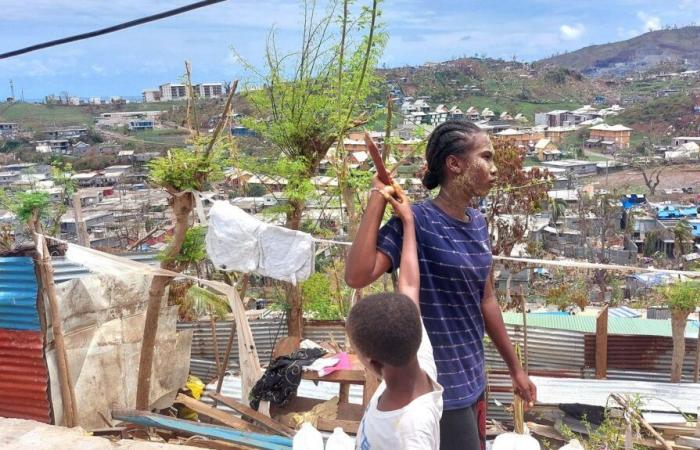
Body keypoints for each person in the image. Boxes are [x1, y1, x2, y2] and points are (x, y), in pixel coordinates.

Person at [345, 120, 537, 450]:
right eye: (486, 158)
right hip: (436, 388)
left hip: (474, 376)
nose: (494, 169)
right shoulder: (417, 219)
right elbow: (357, 275)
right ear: (454, 164)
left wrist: (515, 369)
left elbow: (487, 299)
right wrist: (378, 195)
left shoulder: (477, 222)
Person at [348, 182, 443, 450]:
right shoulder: (418, 360)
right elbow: (410, 285)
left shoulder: (412, 432)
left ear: (375, 364)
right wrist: (409, 224)